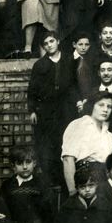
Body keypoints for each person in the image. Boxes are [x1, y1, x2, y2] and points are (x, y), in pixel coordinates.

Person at [28, 32, 75, 186]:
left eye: (52, 41)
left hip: (66, 108)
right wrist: (33, 110)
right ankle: (52, 182)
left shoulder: (69, 59)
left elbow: (75, 83)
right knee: (48, 145)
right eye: (46, 43)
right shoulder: (40, 64)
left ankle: (66, 181)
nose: (49, 45)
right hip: (46, 110)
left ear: (58, 41)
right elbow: (32, 90)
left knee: (66, 141)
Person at [61, 91, 112, 195]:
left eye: (109, 107)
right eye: (101, 105)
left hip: (103, 185)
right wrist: (73, 192)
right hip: (84, 183)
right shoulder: (78, 125)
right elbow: (68, 159)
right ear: (92, 105)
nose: (105, 109)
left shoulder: (109, 136)